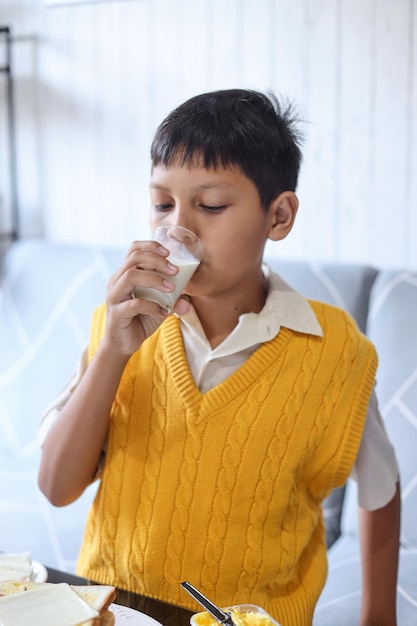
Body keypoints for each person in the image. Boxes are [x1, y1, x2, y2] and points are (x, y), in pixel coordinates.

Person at [38, 89, 400, 626]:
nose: (175, 230)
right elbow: (56, 486)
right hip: (112, 613)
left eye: (209, 206)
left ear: (278, 215)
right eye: (163, 204)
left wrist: (378, 614)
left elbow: (380, 492)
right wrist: (114, 353)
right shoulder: (120, 323)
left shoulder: (335, 353)